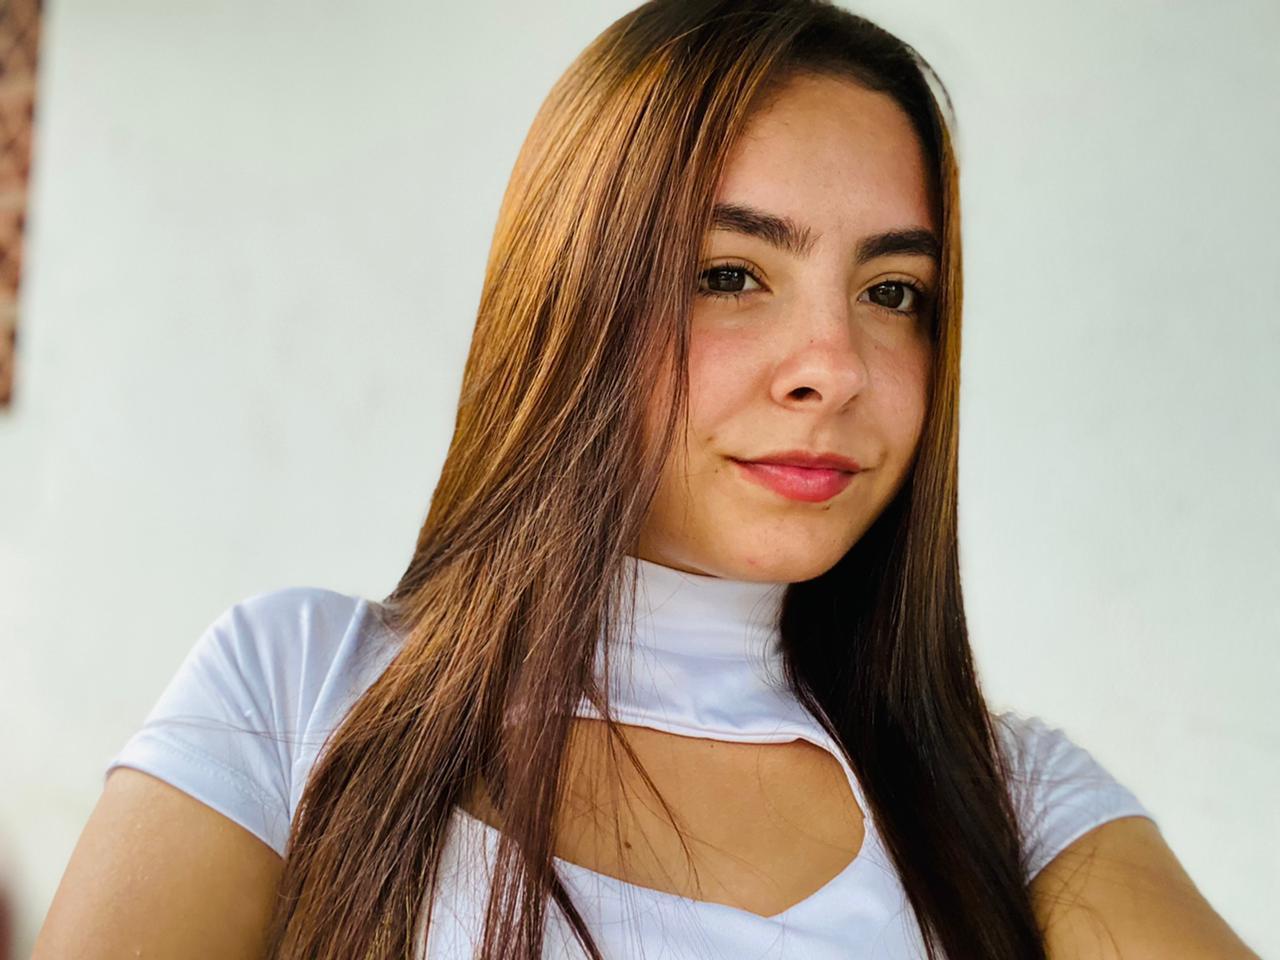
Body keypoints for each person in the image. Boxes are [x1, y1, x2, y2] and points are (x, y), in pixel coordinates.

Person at [34, 1, 1258, 958]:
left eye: (892, 293)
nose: (833, 367)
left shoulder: (1013, 811)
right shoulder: (296, 694)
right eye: (729, 275)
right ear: (571, 299)